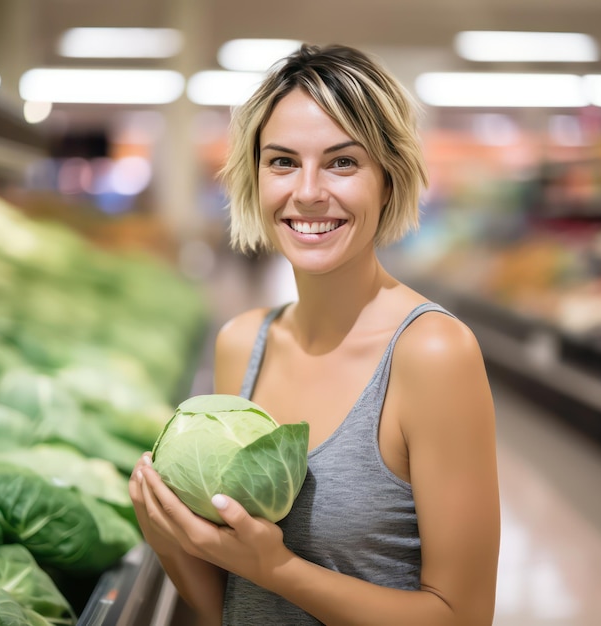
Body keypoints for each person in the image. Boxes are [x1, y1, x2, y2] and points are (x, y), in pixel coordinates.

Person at [130, 43, 500, 626]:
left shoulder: (431, 353)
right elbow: (236, 609)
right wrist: (174, 542)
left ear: (389, 179)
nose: (306, 191)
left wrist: (277, 569)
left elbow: (463, 616)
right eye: (281, 161)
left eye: (342, 162)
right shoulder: (242, 344)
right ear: (254, 177)